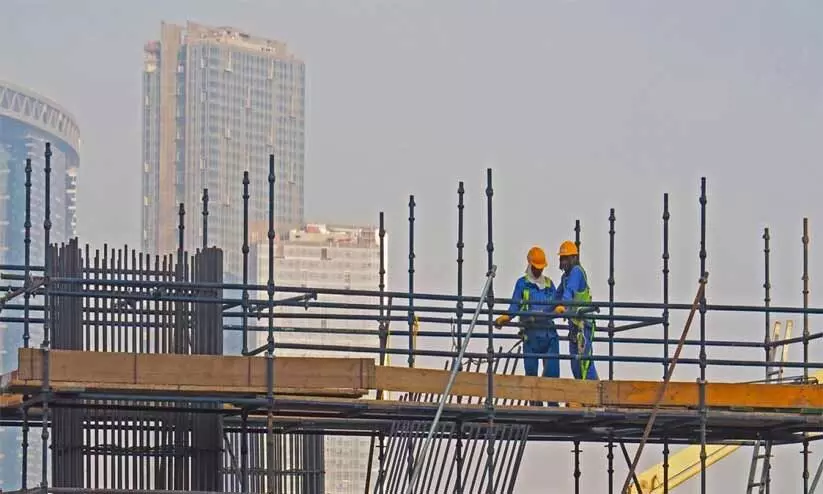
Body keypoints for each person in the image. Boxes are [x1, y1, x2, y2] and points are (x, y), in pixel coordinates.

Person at [494, 246, 560, 406]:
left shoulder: (549, 284)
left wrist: (560, 308)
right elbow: (515, 306)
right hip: (531, 335)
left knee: (552, 373)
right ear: (530, 265)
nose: (538, 271)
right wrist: (507, 317)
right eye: (536, 267)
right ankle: (536, 407)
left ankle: (552, 406)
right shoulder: (522, 284)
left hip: (548, 335)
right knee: (531, 374)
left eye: (541, 268)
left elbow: (558, 302)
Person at [555, 240, 599, 381]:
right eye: (562, 258)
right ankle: (582, 394)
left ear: (574, 258)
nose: (563, 262)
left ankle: (592, 394)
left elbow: (569, 292)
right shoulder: (565, 277)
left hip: (584, 324)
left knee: (584, 361)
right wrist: (541, 314)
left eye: (566, 258)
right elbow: (556, 297)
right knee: (575, 362)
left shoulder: (577, 272)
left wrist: (564, 306)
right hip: (574, 325)